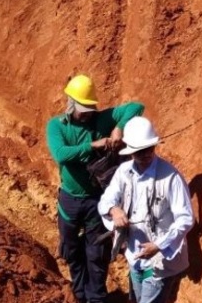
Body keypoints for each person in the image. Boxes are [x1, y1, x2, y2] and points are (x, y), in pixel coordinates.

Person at [46, 73, 145, 303]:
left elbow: (137, 107)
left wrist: (119, 128)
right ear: (70, 104)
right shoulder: (57, 126)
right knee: (71, 250)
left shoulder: (101, 119)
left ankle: (96, 298)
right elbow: (61, 154)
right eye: (83, 108)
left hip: (97, 201)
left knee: (97, 253)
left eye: (90, 108)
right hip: (70, 200)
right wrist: (93, 145)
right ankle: (79, 293)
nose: (87, 113)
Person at [98, 116, 194, 303]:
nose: (146, 155)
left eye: (149, 149)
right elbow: (105, 200)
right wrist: (114, 210)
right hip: (135, 258)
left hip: (160, 262)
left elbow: (185, 218)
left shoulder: (170, 177)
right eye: (140, 151)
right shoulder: (124, 172)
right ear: (131, 152)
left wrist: (158, 245)